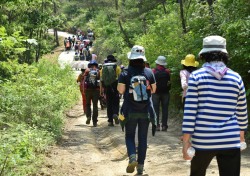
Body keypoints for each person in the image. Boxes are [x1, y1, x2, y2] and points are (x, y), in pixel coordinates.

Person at [182, 35, 248, 176]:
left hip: (203, 140)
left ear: (203, 55)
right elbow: (242, 112)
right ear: (225, 55)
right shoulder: (236, 77)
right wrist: (241, 137)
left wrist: (186, 142)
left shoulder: (196, 77)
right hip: (230, 139)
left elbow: (190, 112)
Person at [117, 45, 156, 175]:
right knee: (143, 138)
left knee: (129, 135)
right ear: (143, 58)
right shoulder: (149, 72)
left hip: (130, 111)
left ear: (131, 58)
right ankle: (140, 166)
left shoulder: (125, 72)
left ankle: (132, 156)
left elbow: (121, 90)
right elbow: (154, 90)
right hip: (146, 111)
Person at [100, 55, 121, 126]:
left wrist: (102, 90)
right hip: (115, 87)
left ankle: (110, 121)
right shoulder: (117, 67)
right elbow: (120, 79)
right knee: (116, 102)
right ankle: (115, 113)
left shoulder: (103, 68)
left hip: (107, 88)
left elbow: (102, 80)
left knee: (109, 103)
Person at [152, 56, 171, 131]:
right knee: (165, 109)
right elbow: (169, 81)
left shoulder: (153, 71)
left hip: (155, 92)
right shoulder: (167, 71)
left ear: (157, 63)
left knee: (156, 109)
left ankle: (157, 125)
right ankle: (164, 126)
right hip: (165, 92)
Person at [82, 60, 100, 127]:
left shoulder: (87, 71)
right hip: (96, 90)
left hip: (88, 90)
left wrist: (84, 90)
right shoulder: (98, 71)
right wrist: (100, 91)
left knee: (87, 104)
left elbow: (84, 81)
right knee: (95, 105)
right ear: (96, 65)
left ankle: (88, 116)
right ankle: (95, 122)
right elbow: (100, 82)